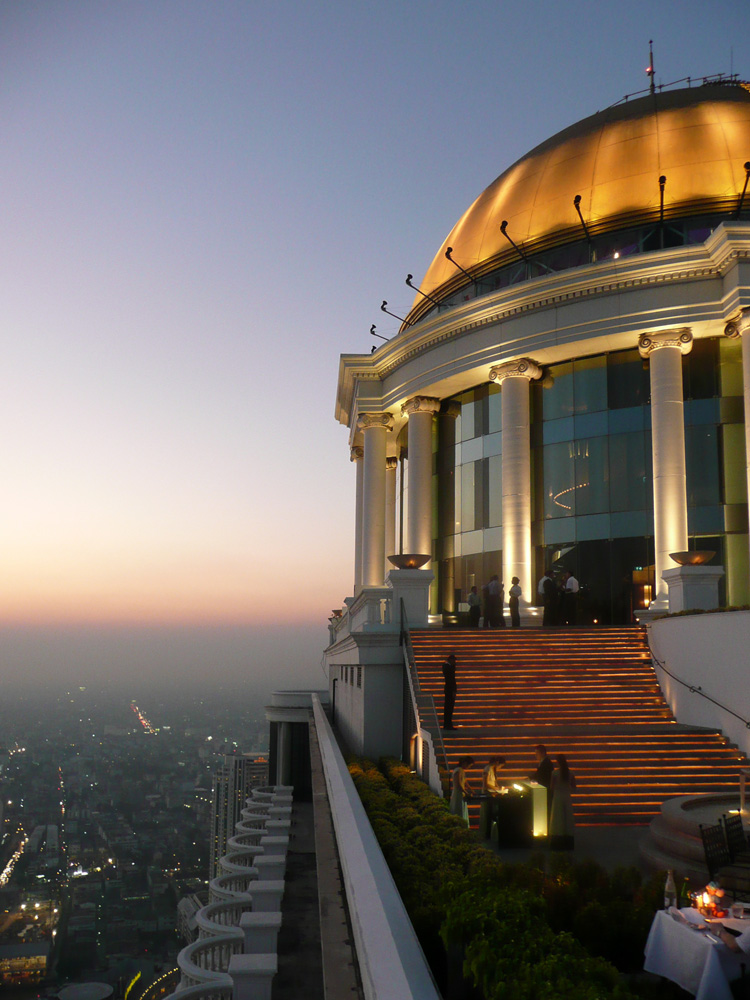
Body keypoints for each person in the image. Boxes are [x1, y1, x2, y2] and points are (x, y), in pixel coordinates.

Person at [549, 754, 577, 850]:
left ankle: (557, 839)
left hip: (558, 797)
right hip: (566, 796)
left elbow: (551, 787)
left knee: (557, 818)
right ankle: (568, 839)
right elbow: (574, 786)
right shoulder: (571, 773)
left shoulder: (555, 773)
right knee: (567, 817)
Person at [480, 756, 507, 839]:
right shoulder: (487, 769)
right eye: (500, 766)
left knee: (491, 814)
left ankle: (490, 833)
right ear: (497, 763)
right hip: (488, 794)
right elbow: (486, 784)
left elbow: (494, 782)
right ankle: (487, 834)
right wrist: (497, 789)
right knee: (488, 814)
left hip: (492, 794)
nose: (500, 768)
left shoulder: (492, 770)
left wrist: (498, 788)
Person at [450, 755, 475, 824]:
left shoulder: (460, 771)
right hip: (458, 794)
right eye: (469, 765)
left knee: (461, 810)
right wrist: (466, 792)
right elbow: (458, 784)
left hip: (461, 793)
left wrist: (470, 789)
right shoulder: (458, 771)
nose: (468, 767)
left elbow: (464, 781)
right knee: (459, 810)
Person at [442, 652, 458, 730]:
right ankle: (447, 724)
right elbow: (451, 679)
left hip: (449, 689)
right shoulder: (447, 667)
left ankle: (448, 724)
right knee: (449, 707)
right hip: (449, 689)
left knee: (449, 707)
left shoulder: (448, 667)